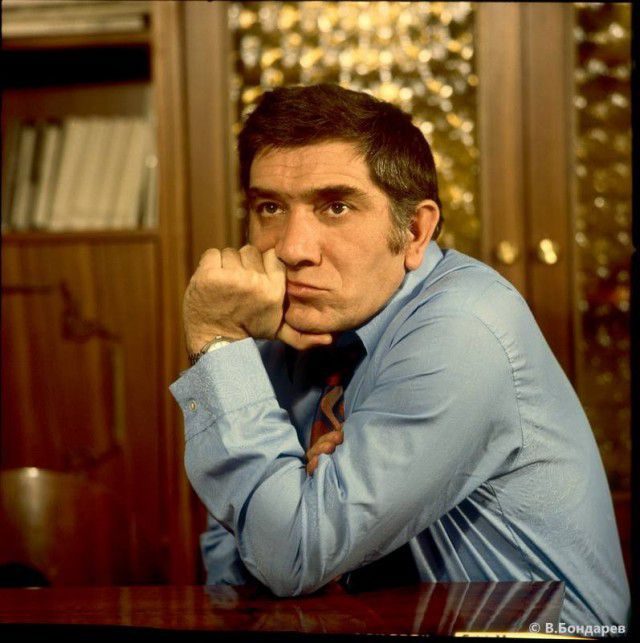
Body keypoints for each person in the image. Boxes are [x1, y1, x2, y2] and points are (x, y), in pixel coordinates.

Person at [170, 83, 629, 626]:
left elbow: (290, 553)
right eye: (269, 207)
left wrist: (219, 338)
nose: (292, 249)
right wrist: (294, 513)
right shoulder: (291, 324)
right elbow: (238, 549)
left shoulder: (463, 326)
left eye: (336, 206)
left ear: (414, 231)